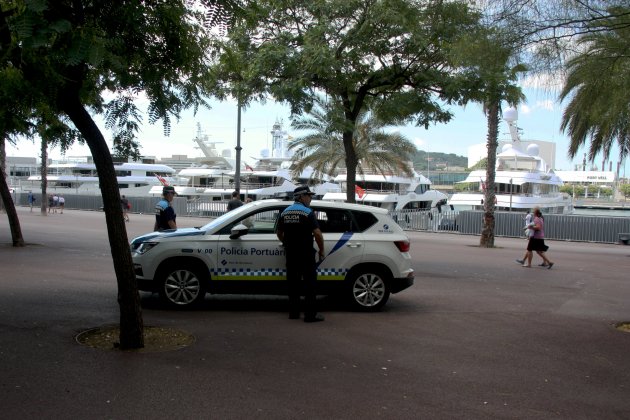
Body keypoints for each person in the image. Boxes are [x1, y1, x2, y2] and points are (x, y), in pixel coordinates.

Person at [276, 185, 325, 323]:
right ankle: (310, 316)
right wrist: (321, 249)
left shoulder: (284, 212)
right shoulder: (308, 212)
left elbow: (279, 233)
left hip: (291, 254)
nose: (310, 198)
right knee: (310, 285)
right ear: (301, 197)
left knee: (293, 285)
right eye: (309, 195)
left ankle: (294, 313)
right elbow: (317, 233)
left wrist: (287, 243)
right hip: (306, 254)